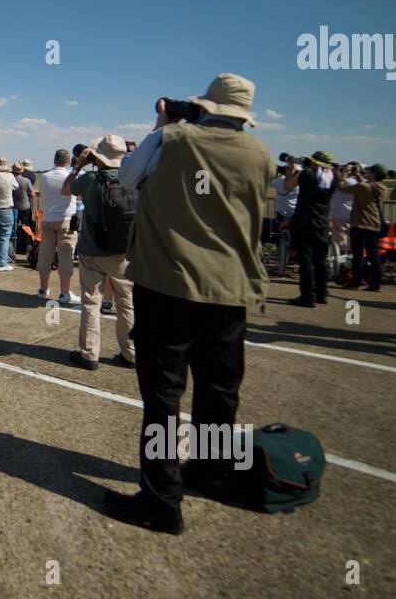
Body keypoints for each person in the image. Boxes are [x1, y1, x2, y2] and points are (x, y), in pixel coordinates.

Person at [106, 74, 273, 534]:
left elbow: (127, 177)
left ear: (204, 105)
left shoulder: (172, 139)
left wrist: (163, 123)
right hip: (231, 288)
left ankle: (161, 499)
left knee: (163, 395)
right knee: (219, 392)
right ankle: (212, 472)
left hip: (169, 284)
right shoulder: (261, 154)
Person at [65, 136, 135, 370]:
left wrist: (78, 166)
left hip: (92, 251)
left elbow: (67, 188)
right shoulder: (132, 178)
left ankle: (89, 354)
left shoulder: (90, 179)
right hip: (124, 251)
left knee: (90, 302)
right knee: (126, 303)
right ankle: (130, 353)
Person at [281, 151, 337, 307]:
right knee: (321, 259)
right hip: (322, 222)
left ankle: (307, 296)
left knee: (305, 260)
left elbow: (287, 185)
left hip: (304, 222)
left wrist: (292, 168)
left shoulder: (306, 175)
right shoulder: (334, 177)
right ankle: (322, 292)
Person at [35, 149, 79, 304]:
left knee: (45, 255)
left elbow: (44, 196)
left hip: (47, 218)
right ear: (67, 161)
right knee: (66, 256)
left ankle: (43, 289)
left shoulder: (44, 176)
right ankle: (64, 292)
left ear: (54, 160)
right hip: (66, 218)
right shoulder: (72, 176)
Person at [336, 163, 388, 291]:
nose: (366, 172)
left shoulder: (362, 187)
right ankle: (376, 283)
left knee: (358, 254)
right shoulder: (382, 188)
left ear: (374, 174)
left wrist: (344, 174)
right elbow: (367, 186)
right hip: (374, 224)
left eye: (369, 171)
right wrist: (359, 176)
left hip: (359, 224)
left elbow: (341, 188)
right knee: (373, 254)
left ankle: (357, 280)